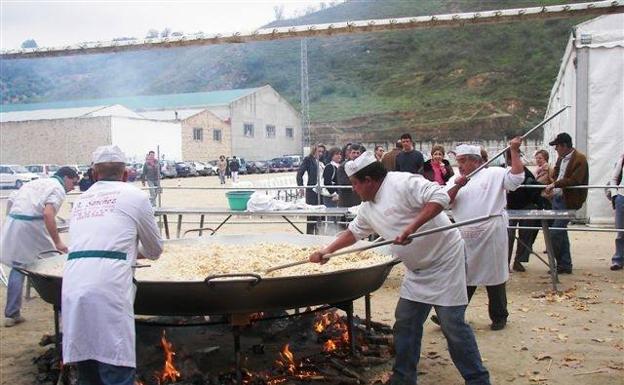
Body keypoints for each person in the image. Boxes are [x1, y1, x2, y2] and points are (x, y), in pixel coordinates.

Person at [308, 152, 490, 385]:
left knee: (452, 324)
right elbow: (353, 232)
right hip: (417, 271)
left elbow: (440, 197)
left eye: (355, 184)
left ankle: (478, 380)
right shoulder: (367, 207)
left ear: (369, 180)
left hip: (446, 261)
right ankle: (404, 378)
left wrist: (411, 228)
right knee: (405, 322)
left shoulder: (402, 182)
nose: (353, 189)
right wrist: (327, 251)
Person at [62, 145, 164, 385]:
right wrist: (132, 251)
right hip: (108, 284)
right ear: (126, 174)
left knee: (86, 359)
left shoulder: (80, 200)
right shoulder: (135, 196)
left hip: (73, 282)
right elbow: (155, 249)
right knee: (115, 362)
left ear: (94, 175)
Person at [441, 139, 525, 331]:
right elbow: (444, 202)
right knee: (463, 277)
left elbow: (517, 178)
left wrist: (513, 151)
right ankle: (453, 314)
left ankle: (499, 316)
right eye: (458, 161)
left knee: (494, 276)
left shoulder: (494, 174)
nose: (459, 166)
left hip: (491, 233)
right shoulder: (455, 179)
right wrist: (457, 186)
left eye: (463, 161)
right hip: (465, 234)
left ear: (476, 161)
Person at [1, 166, 79, 327]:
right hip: (31, 227)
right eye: (73, 182)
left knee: (18, 267)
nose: (72, 188)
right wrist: (57, 241)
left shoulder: (36, 182)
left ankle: (12, 314)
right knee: (55, 265)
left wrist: (12, 219)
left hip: (14, 224)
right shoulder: (58, 188)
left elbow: (11, 201)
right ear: (66, 178)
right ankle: (63, 309)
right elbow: (48, 214)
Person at [543, 133, 589, 274]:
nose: (556, 149)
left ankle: (557, 263)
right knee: (561, 233)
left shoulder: (580, 159)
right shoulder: (561, 159)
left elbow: (575, 180)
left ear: (564, 146)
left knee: (556, 233)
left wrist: (554, 184)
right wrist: (553, 183)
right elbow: (557, 175)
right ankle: (565, 264)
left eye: (557, 146)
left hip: (569, 201)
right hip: (558, 198)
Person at [505, 150, 542, 272]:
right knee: (508, 237)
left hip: (525, 207)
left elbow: (534, 188)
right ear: (509, 159)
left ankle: (518, 260)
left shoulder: (526, 171)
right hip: (509, 208)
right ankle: (505, 263)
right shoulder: (502, 172)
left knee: (525, 235)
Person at [296, 144, 325, 234]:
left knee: (322, 213)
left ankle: (321, 234)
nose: (320, 153)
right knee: (312, 214)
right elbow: (300, 173)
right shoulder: (308, 159)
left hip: (322, 190)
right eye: (319, 151)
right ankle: (310, 234)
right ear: (314, 151)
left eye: (322, 152)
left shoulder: (322, 161)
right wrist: (301, 186)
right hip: (312, 190)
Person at [607, 153, 623, 271]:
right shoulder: (622, 158)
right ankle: (618, 259)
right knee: (620, 231)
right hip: (621, 197)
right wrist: (614, 195)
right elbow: (613, 178)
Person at [336, 143, 363, 208]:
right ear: (349, 153)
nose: (356, 155)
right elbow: (343, 182)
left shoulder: (363, 165)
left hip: (359, 200)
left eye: (357, 153)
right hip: (347, 201)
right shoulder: (342, 166)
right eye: (353, 152)